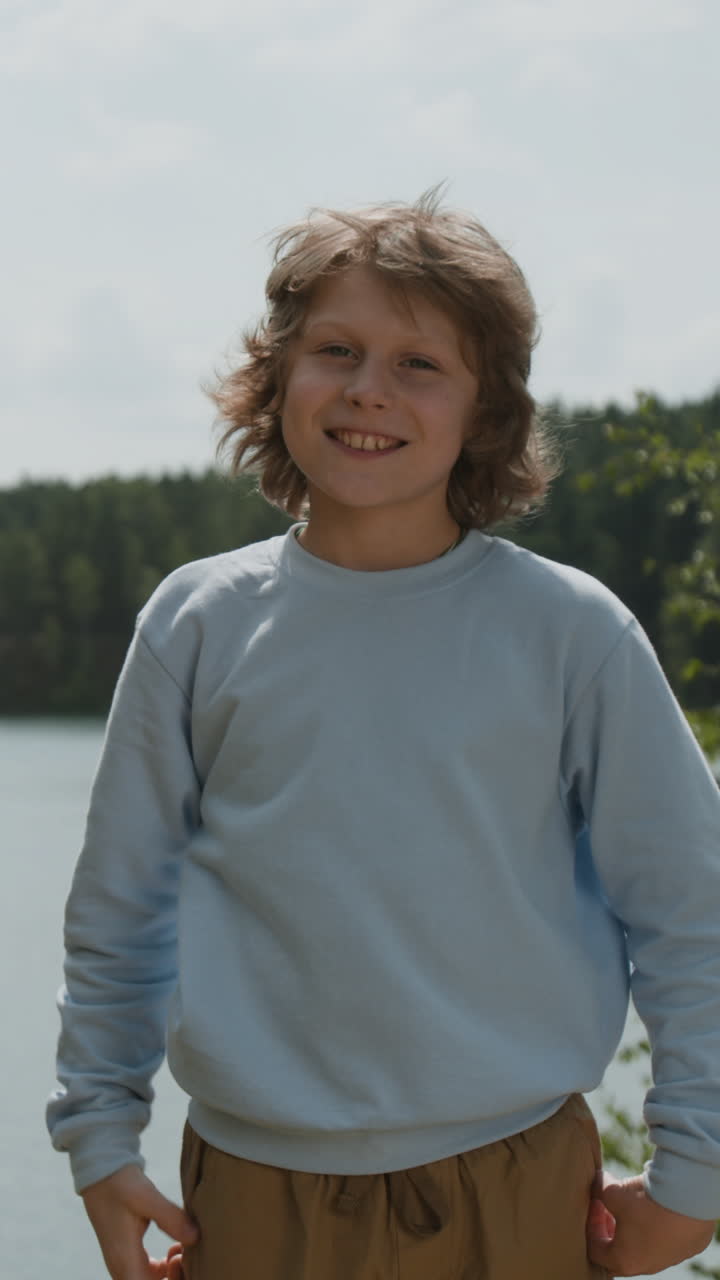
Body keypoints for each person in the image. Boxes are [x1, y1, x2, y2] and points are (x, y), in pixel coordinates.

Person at [47, 189, 720, 1280]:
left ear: (485, 409)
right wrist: (96, 1134)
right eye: (337, 349)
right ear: (278, 376)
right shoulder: (197, 624)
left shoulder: (571, 633)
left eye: (421, 363)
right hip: (250, 1196)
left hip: (514, 1183)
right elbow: (120, 911)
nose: (368, 390)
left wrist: (699, 1167)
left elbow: (695, 912)